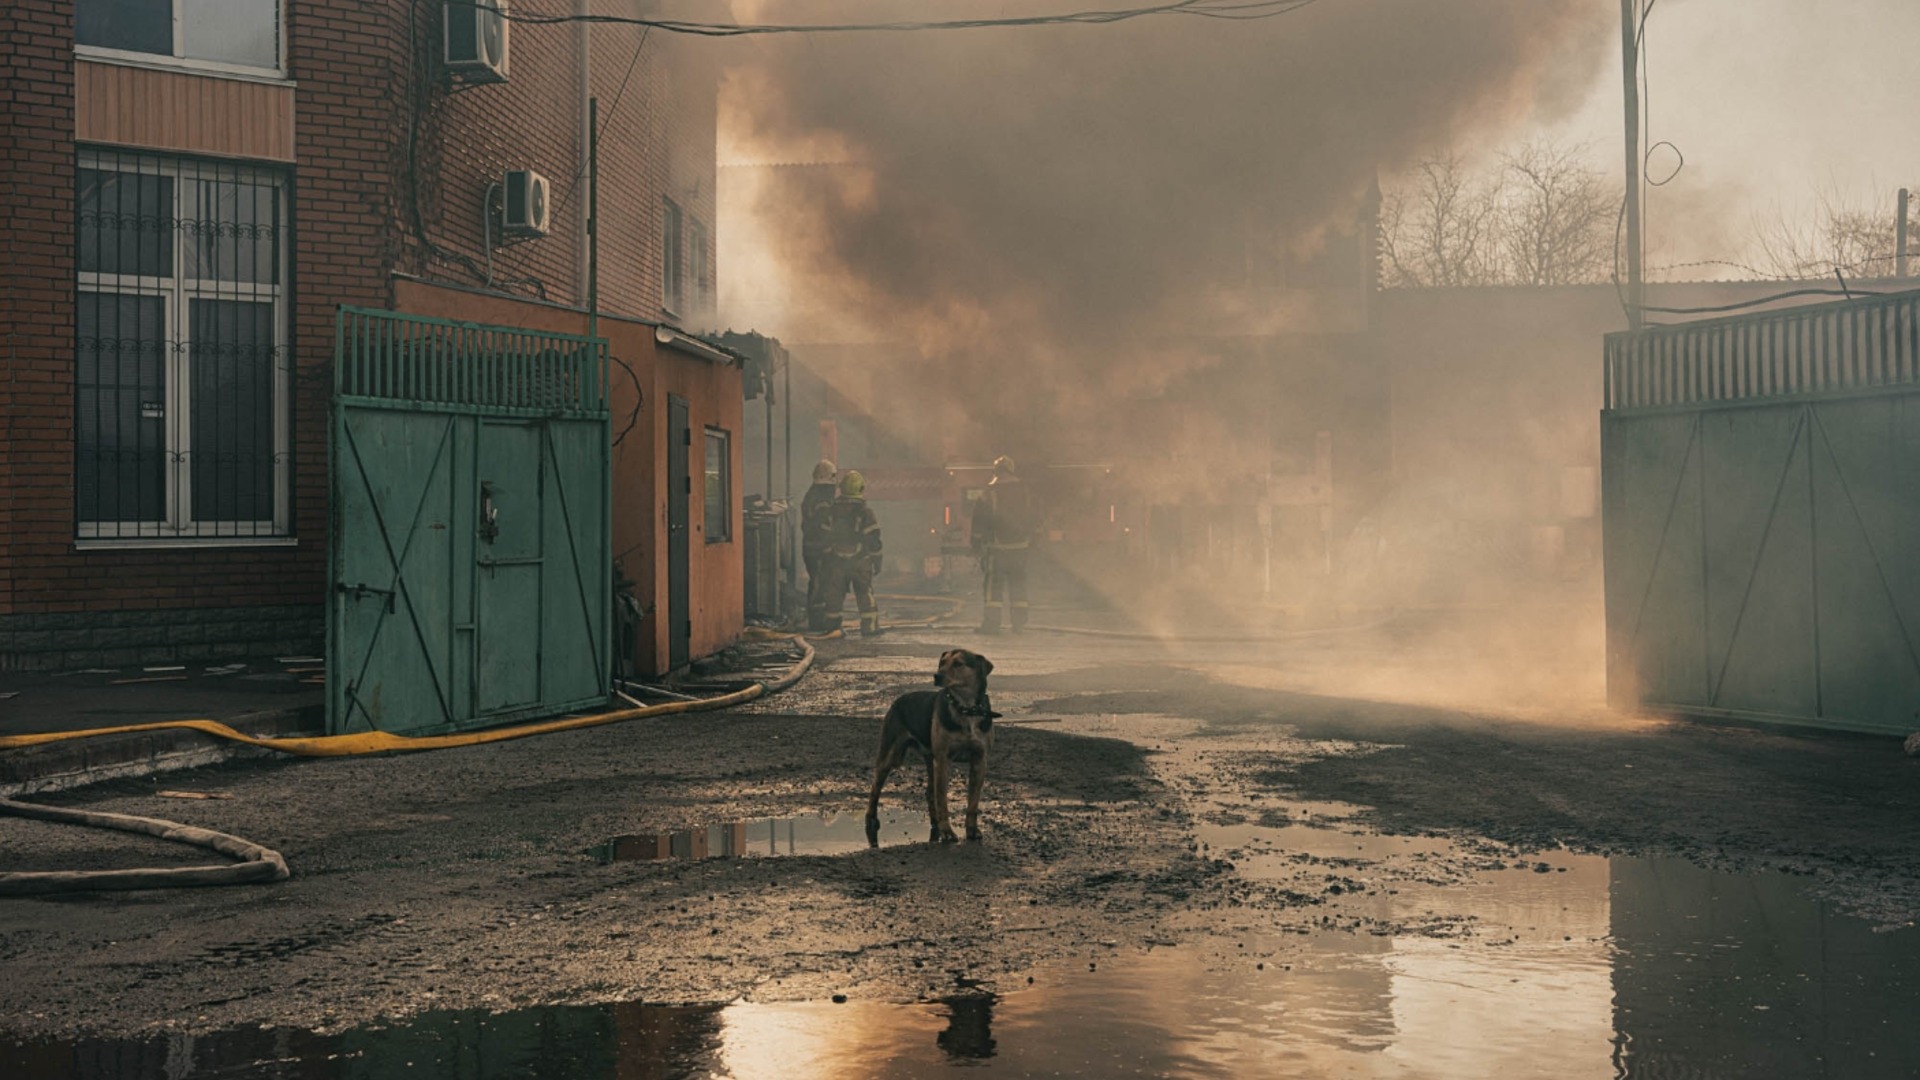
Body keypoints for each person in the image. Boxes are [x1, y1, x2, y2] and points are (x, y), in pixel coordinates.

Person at [810, 470, 884, 635]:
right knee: (864, 593)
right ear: (861, 489)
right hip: (860, 561)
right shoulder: (865, 512)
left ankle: (833, 627)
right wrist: (877, 561)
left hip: (836, 562)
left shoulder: (832, 511)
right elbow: (874, 540)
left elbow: (824, 537)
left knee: (834, 595)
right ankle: (870, 627)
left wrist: (826, 559)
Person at [971, 456, 1036, 633]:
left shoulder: (989, 492)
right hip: (1020, 548)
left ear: (996, 471)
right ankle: (1019, 624)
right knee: (1018, 585)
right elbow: (1036, 517)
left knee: (993, 587)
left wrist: (976, 544)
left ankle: (992, 625)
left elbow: (979, 521)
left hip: (997, 549)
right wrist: (1032, 538)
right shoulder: (1026, 491)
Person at [799, 460, 838, 615]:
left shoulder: (812, 495)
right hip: (819, 549)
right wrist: (829, 544)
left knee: (819, 581)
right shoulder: (822, 498)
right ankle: (817, 617)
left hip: (812, 547)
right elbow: (823, 525)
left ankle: (819, 615)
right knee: (820, 583)